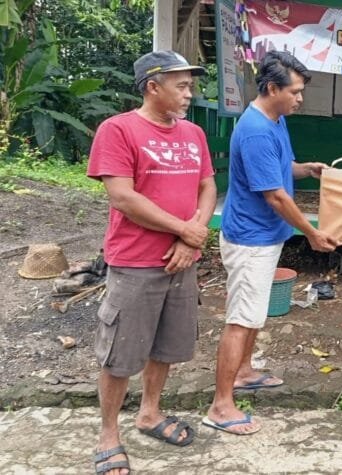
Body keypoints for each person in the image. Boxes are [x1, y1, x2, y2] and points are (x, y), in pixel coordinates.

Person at [87, 50, 216, 475]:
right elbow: (122, 197)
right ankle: (108, 434)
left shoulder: (194, 134)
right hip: (136, 261)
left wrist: (190, 237)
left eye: (189, 84)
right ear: (152, 86)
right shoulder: (118, 130)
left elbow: (207, 187)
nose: (189, 92)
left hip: (183, 260)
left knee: (166, 346)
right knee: (122, 353)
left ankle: (150, 412)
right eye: (181, 85)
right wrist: (185, 230)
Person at [204, 51, 337, 435]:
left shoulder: (275, 120)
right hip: (251, 239)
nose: (300, 99)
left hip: (264, 236)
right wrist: (312, 233)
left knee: (253, 314)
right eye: (294, 92)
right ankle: (220, 406)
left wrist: (306, 169)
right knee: (241, 320)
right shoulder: (257, 130)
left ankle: (244, 373)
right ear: (273, 87)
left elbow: (280, 170)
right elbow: (275, 195)